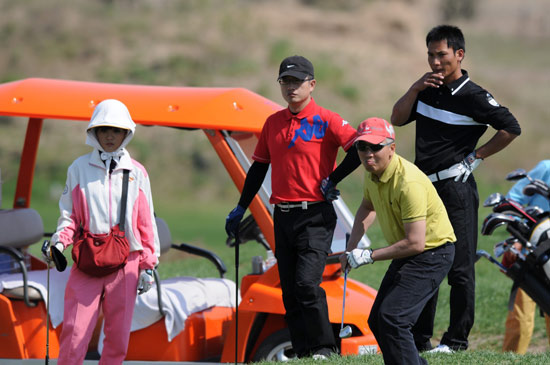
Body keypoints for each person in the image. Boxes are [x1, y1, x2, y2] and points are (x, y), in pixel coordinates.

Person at [390, 24, 521, 352]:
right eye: (431, 55)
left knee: (460, 268)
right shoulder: (427, 89)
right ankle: (419, 339)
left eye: (442, 55)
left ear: (459, 55)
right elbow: (396, 117)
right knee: (424, 260)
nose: (435, 62)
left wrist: (476, 157)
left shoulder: (474, 95)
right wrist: (415, 87)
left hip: (457, 188)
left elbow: (511, 127)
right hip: (425, 190)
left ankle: (456, 340)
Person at [225, 55, 360, 359]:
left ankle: (324, 349)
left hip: (315, 215)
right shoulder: (273, 122)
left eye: (297, 82)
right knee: (289, 291)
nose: (291, 87)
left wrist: (333, 178)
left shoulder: (327, 119)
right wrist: (240, 207)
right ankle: (302, 352)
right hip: (283, 216)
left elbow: (357, 149)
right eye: (285, 82)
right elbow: (258, 169)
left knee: (306, 285)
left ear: (312, 85)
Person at [45, 99, 160, 364]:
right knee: (75, 333)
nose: (110, 135)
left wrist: (148, 266)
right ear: (94, 132)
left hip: (126, 263)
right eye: (104, 129)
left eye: (116, 130)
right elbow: (69, 216)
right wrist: (59, 243)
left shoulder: (137, 173)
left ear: (126, 133)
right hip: (87, 257)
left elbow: (146, 224)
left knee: (118, 337)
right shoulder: (78, 169)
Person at [340, 117, 456, 365]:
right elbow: (367, 206)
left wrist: (369, 255)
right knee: (378, 321)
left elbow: (416, 243)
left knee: (394, 318)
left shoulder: (408, 183)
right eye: (362, 147)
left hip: (433, 253)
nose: (368, 154)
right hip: (410, 254)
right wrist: (351, 248)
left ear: (391, 148)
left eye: (375, 147)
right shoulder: (372, 173)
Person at [501, 160, 550, 354]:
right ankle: (511, 359)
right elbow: (512, 201)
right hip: (530, 252)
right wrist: (520, 237)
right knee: (520, 318)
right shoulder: (546, 168)